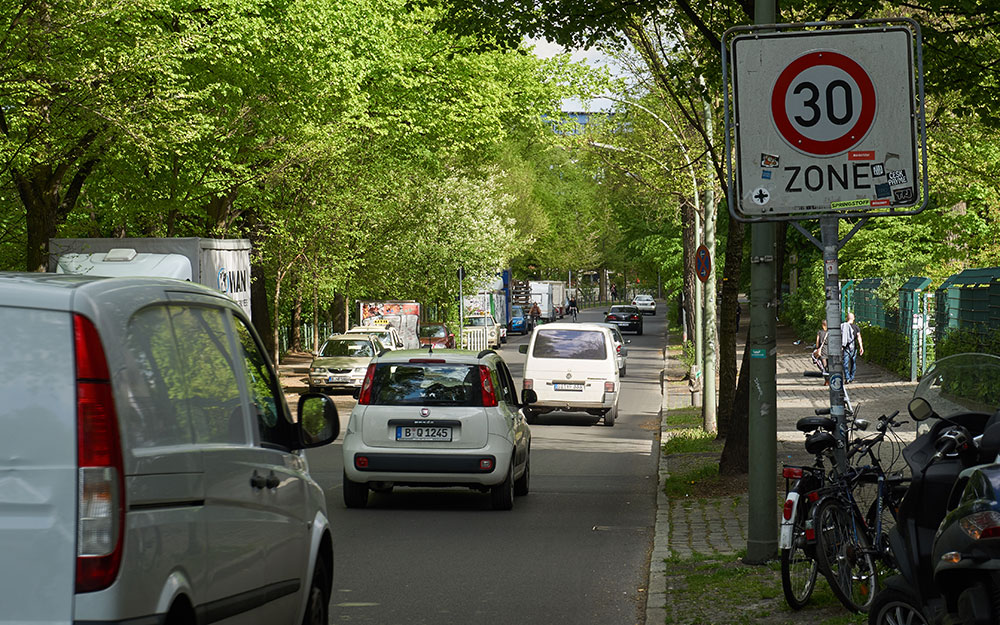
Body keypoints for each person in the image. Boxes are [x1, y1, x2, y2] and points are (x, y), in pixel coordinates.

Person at [841, 312, 864, 384]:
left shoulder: (843, 326)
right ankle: (851, 377)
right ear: (853, 318)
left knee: (845, 363)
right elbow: (859, 337)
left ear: (846, 318)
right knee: (853, 362)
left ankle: (847, 377)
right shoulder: (856, 327)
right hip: (853, 347)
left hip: (845, 347)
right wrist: (861, 347)